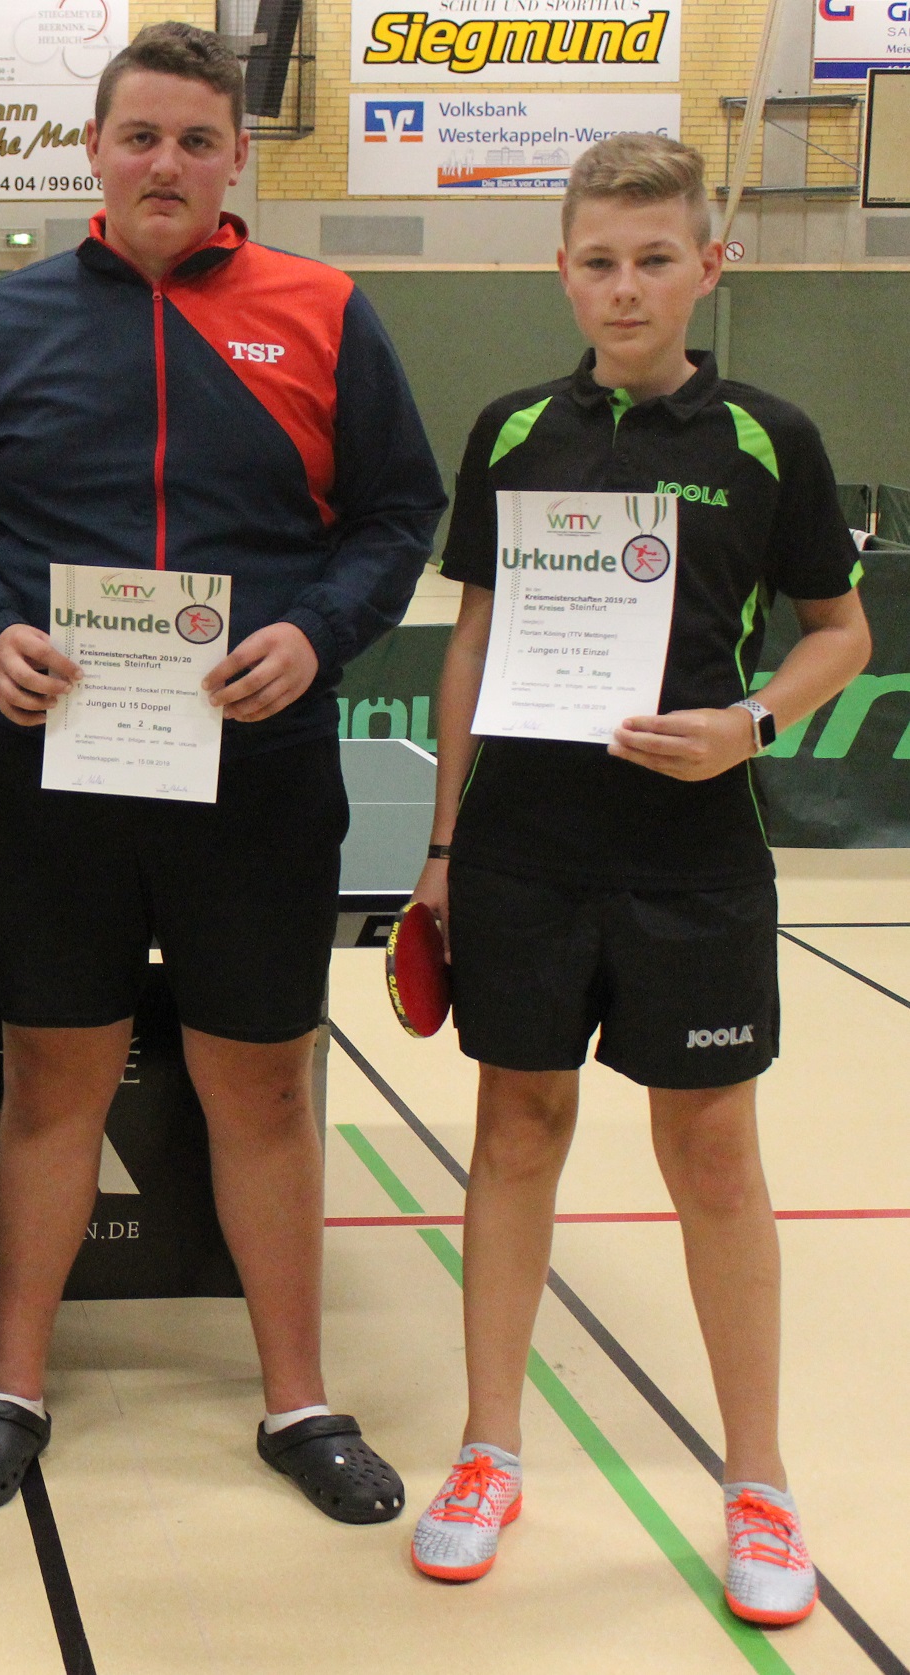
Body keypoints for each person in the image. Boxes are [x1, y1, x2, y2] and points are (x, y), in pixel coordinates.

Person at [0, 21, 447, 1523]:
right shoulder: (2, 322)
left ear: (235, 159)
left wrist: (314, 633)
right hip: (54, 771)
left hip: (257, 772)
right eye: (138, 135)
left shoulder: (323, 311)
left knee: (258, 1085)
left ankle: (297, 1400)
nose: (164, 163)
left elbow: (395, 515)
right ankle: (11, 1386)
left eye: (196, 141)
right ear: (92, 149)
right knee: (50, 1078)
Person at [406, 134, 870, 1626]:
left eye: (652, 259)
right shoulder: (509, 430)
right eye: (597, 261)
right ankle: (486, 1450)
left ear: (704, 268)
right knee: (514, 1130)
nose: (624, 286)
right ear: (561, 270)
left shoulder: (767, 438)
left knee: (712, 1155)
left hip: (693, 856)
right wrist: (441, 846)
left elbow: (838, 634)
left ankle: (757, 1482)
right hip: (524, 851)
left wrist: (749, 725)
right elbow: (471, 638)